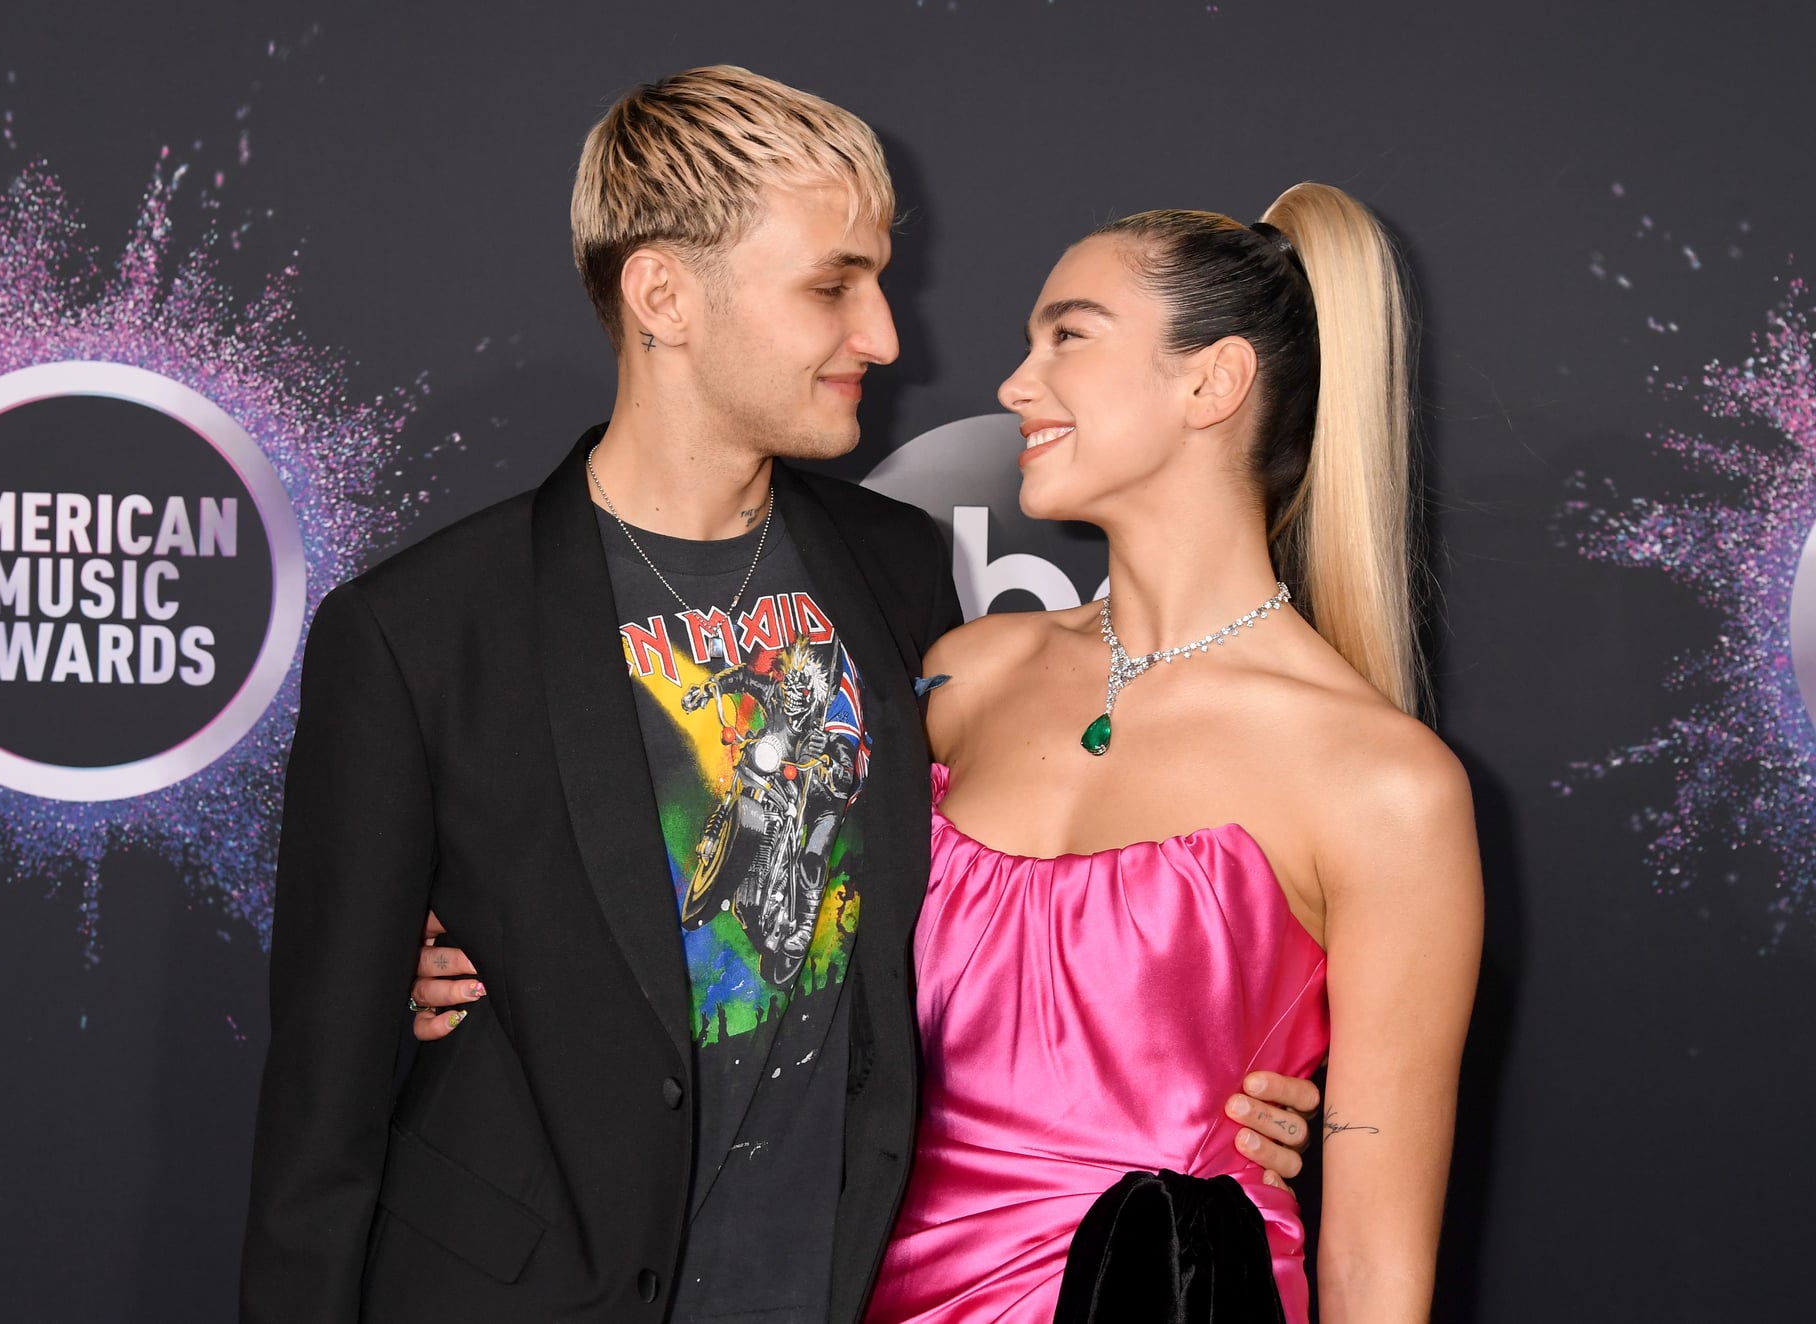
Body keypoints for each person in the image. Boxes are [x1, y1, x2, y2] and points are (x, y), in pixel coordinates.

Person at [246, 66, 1316, 1324]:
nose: (883, 335)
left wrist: (1218, 1081)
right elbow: (319, 1129)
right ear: (663, 296)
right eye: (830, 286)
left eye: (874, 278)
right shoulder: (419, 633)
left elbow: (1002, 901)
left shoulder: (896, 568)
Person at [862, 193, 1483, 1323]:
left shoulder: (1381, 783)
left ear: (1211, 383)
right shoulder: (964, 679)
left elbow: (1375, 1276)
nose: (1013, 384)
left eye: (1068, 335)